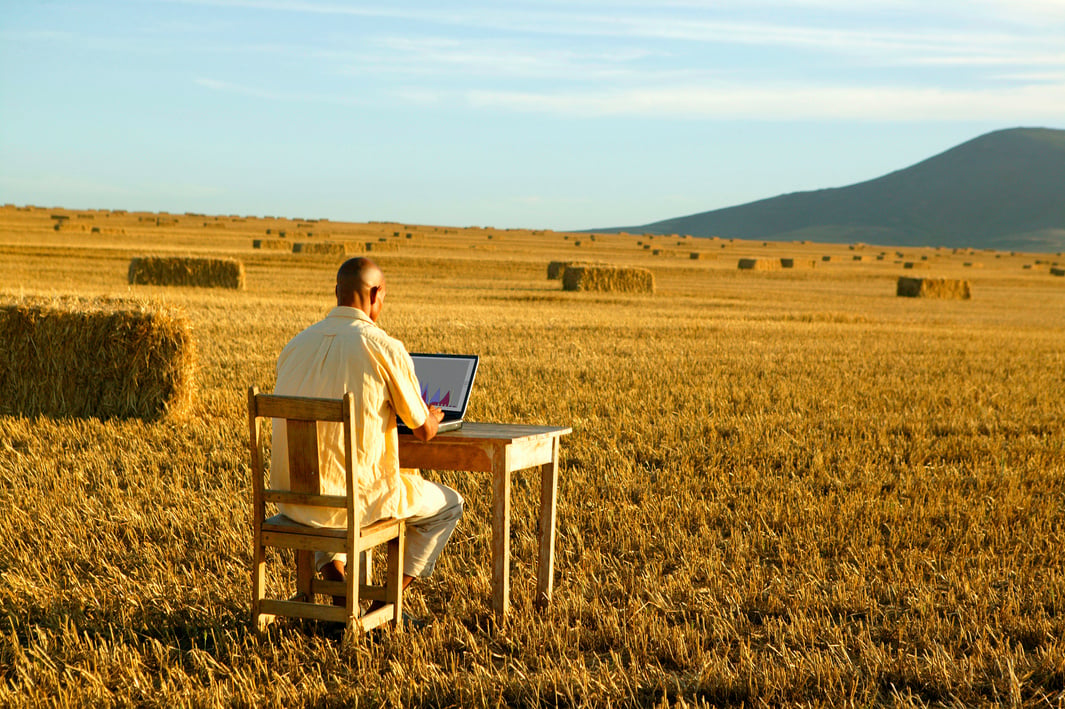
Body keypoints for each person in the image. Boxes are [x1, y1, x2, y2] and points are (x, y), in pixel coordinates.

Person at [271, 256, 464, 611]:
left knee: (329, 494)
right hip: (354, 503)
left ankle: (343, 598)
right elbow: (422, 431)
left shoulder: (294, 346)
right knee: (449, 506)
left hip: (294, 497)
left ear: (337, 293)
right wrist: (434, 416)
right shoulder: (383, 347)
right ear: (376, 294)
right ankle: (383, 606)